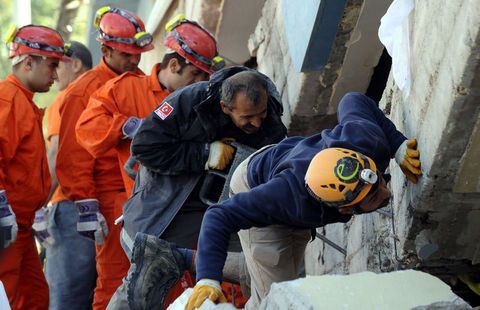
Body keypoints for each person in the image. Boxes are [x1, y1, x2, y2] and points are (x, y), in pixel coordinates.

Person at [185, 92, 422, 309]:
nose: (386, 193)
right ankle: (194, 261)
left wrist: (398, 145)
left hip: (283, 161)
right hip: (254, 182)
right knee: (277, 296)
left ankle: (232, 267)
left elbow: (352, 99)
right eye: (372, 196)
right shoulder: (282, 196)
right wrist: (208, 279)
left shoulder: (365, 140)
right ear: (345, 207)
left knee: (278, 268)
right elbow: (218, 216)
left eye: (379, 181)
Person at [110, 67, 287, 309]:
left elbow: (276, 164)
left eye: (261, 114)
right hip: (171, 205)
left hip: (227, 207)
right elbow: (144, 147)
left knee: (264, 263)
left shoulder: (271, 121)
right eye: (247, 118)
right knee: (149, 274)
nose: (256, 122)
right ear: (225, 107)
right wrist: (205, 154)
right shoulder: (188, 101)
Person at [53, 6, 153, 309]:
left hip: (131, 198)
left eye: (137, 53)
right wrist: (86, 205)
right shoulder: (83, 91)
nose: (134, 60)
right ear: (105, 49)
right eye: (126, 54)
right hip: (93, 202)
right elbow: (73, 155)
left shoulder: (140, 82)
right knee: (82, 291)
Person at [76, 14, 225, 199]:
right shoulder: (125, 89)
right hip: (144, 203)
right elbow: (86, 128)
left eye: (204, 77)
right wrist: (127, 126)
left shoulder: (201, 102)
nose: (199, 83)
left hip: (189, 201)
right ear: (173, 65)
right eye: (195, 74)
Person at [0, 24, 69, 309]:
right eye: (52, 66)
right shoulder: (7, 100)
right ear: (28, 62)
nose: (56, 75)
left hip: (21, 225)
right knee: (10, 297)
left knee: (35, 298)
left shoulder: (21, 100)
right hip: (7, 227)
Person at [29, 40, 95, 309]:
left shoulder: (69, 97)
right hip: (100, 210)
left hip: (68, 207)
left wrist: (36, 206)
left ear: (75, 64)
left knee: (63, 298)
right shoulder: (107, 92)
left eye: (58, 65)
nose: (55, 74)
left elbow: (56, 156)